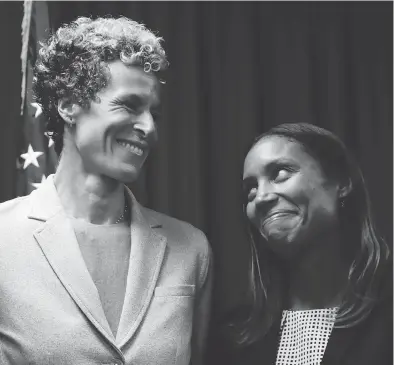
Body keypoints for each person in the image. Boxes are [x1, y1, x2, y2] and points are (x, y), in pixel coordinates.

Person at [0, 16, 212, 365]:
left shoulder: (191, 249)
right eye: (129, 105)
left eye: (153, 114)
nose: (148, 128)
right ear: (69, 105)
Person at [216, 123, 391, 365]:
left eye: (280, 174)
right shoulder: (235, 336)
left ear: (341, 182)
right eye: (251, 189)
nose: (262, 197)